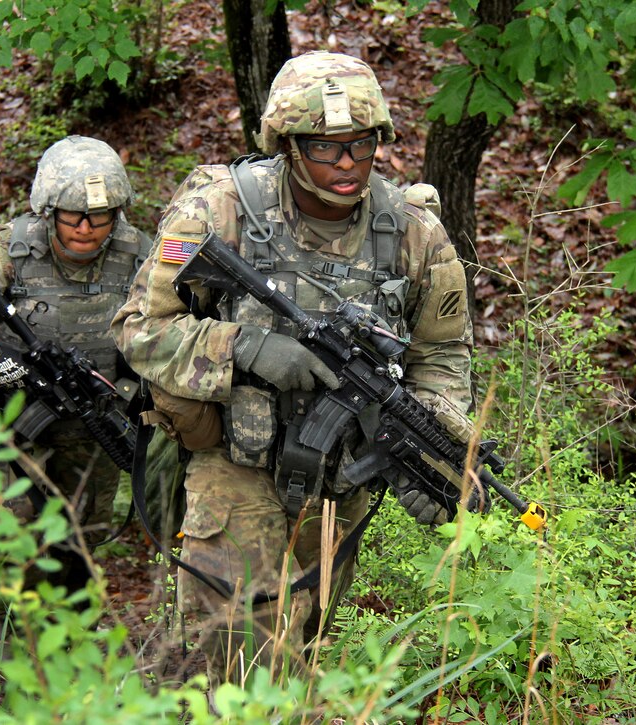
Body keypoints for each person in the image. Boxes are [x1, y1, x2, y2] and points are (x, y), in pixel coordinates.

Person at [111, 51, 476, 683]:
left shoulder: (413, 233)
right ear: (286, 145)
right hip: (234, 463)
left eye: (360, 147)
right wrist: (247, 349)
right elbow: (140, 332)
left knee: (303, 644)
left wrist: (430, 448)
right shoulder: (218, 213)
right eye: (324, 149)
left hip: (340, 478)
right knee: (235, 651)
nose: (346, 165)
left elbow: (441, 355)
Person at [0, 135, 153, 594]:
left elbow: (170, 328)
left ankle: (70, 635)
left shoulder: (140, 257)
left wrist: (130, 392)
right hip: (7, 420)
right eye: (73, 216)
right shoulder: (6, 252)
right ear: (48, 210)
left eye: (99, 216)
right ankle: (13, 639)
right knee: (12, 537)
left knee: (83, 537)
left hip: (91, 420)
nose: (86, 228)